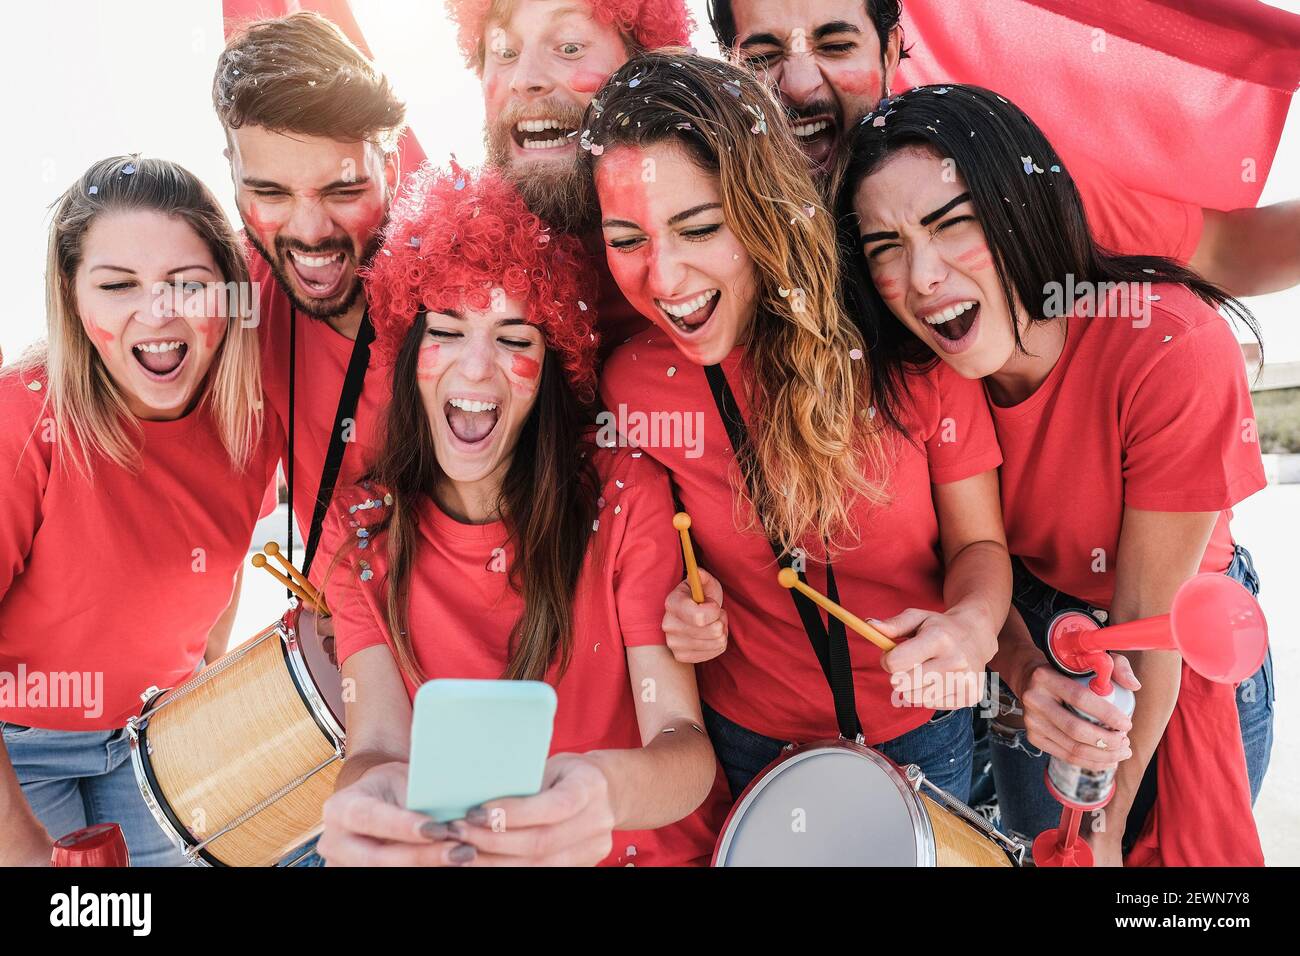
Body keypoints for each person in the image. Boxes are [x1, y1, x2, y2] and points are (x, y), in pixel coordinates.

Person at [840, 84, 1271, 865]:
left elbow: (1149, 621)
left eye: (952, 225)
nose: (924, 275)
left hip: (1181, 640)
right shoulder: (925, 373)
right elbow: (975, 559)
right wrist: (1028, 672)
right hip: (1036, 630)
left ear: (1019, 208)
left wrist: (1102, 835)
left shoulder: (1171, 346)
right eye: (886, 248)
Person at [585, 52, 1011, 801]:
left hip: (920, 732)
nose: (666, 278)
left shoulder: (910, 347)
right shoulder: (630, 386)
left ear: (763, 213)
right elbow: (657, 561)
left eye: (699, 228)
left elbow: (979, 544)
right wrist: (683, 616)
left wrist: (973, 629)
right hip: (747, 741)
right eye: (628, 241)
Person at [315, 162, 725, 866]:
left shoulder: (621, 492)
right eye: (447, 329)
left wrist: (600, 789)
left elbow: (682, 744)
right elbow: (378, 746)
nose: (477, 370)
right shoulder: (359, 531)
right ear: (410, 353)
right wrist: (369, 800)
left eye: (514, 339)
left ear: (552, 370)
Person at [0, 156, 280, 866]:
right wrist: (21, 844)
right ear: (72, 298)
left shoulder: (251, 419)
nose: (159, 313)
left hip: (155, 737)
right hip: (19, 748)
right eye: (118, 285)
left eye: (188, 285)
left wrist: (206, 686)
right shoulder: (25, 419)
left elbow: (217, 561)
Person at [708, 0, 1300, 297]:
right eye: (761, 58)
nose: (802, 83)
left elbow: (1230, 252)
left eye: (836, 45)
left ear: (890, 52)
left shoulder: (998, 173)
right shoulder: (692, 222)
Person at [213, 11, 406, 584]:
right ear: (232, 170)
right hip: (336, 644)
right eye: (269, 192)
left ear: (390, 166)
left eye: (343, 190)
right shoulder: (234, 295)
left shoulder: (473, 282)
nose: (310, 230)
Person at [448, 0, 693, 350]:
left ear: (647, 67)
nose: (525, 80)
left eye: (570, 47)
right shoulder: (443, 278)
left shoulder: (730, 253)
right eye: (504, 52)